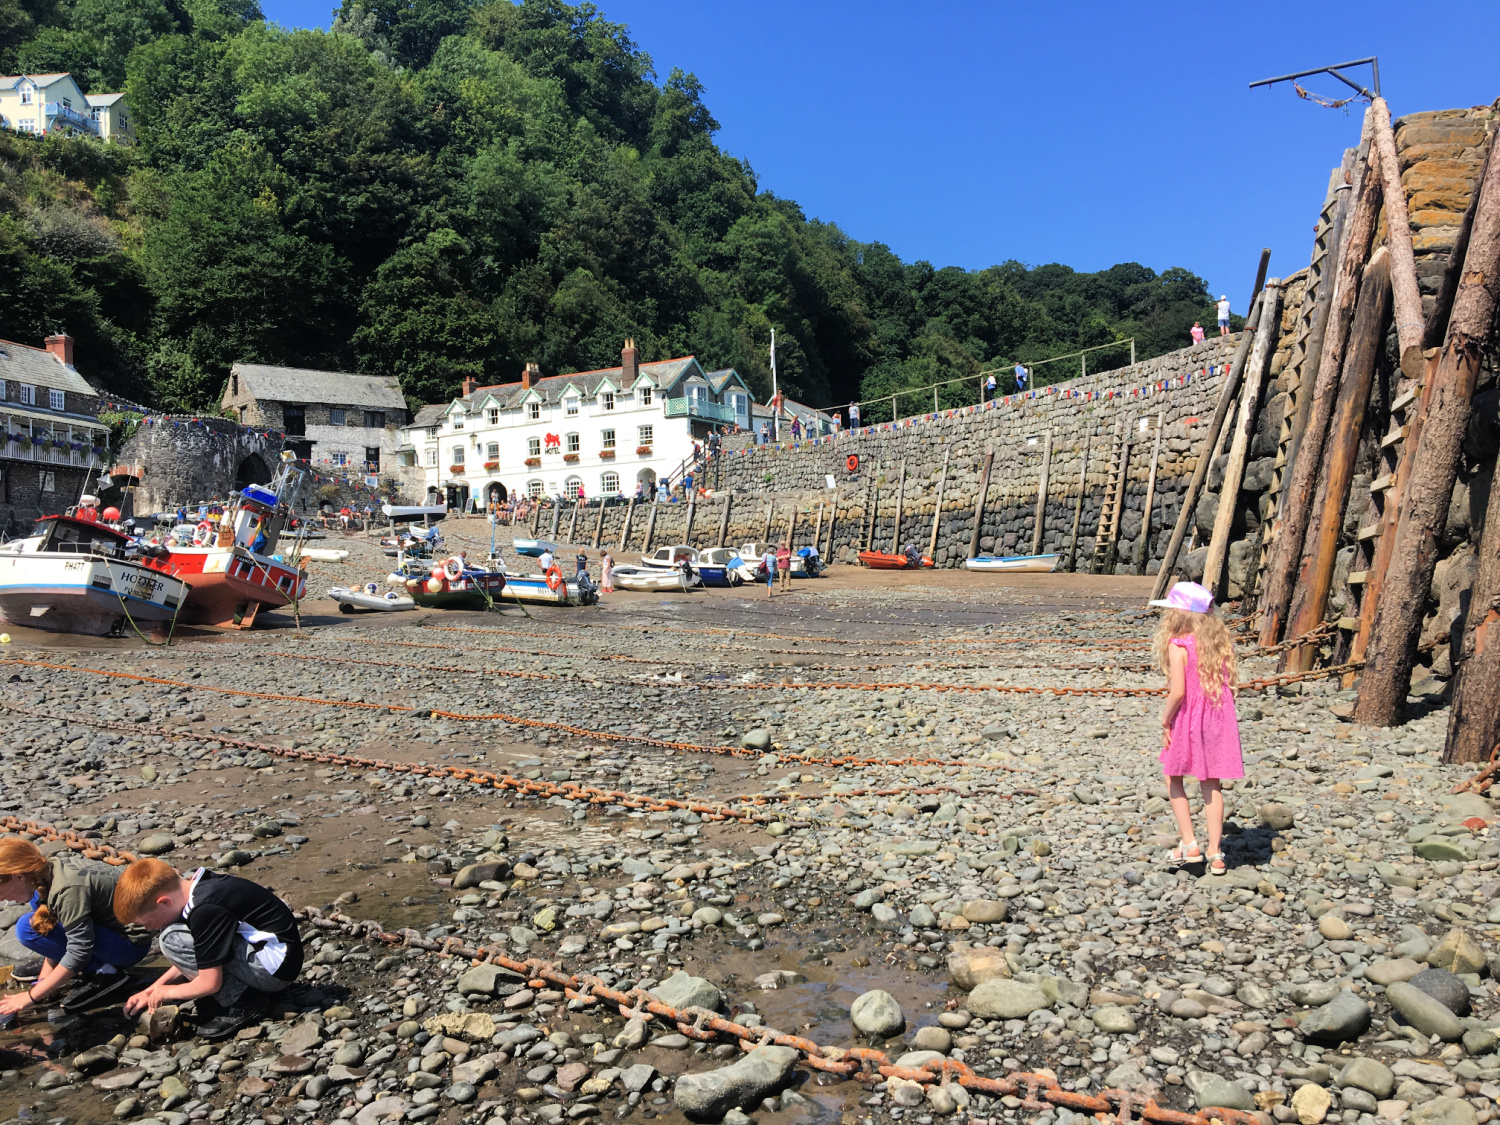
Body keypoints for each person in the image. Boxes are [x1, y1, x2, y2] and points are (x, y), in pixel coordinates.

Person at [115, 858, 304, 1040]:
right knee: (174, 935)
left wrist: (168, 992)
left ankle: (243, 1002)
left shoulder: (205, 910)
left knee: (170, 937)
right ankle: (241, 991)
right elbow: (201, 952)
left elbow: (209, 983)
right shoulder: (200, 886)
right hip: (277, 957)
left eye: (147, 922)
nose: (149, 929)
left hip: (275, 972)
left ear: (164, 902)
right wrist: (152, 990)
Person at [1149, 581, 1243, 876]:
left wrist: (1165, 720)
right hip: (1217, 718)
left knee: (1173, 776)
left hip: (1189, 717)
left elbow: (1178, 691)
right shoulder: (1217, 642)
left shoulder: (1178, 644)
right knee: (1211, 783)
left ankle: (1190, 844)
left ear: (1178, 614)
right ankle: (1216, 853)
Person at [0, 840, 150, 1017]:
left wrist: (31, 997)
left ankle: (105, 972)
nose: (3, 900)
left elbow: (80, 950)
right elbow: (50, 927)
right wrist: (44, 982)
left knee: (27, 929)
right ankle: (68, 969)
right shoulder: (42, 877)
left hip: (130, 944)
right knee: (33, 921)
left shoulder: (66, 890)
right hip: (106, 928)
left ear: (19, 876)